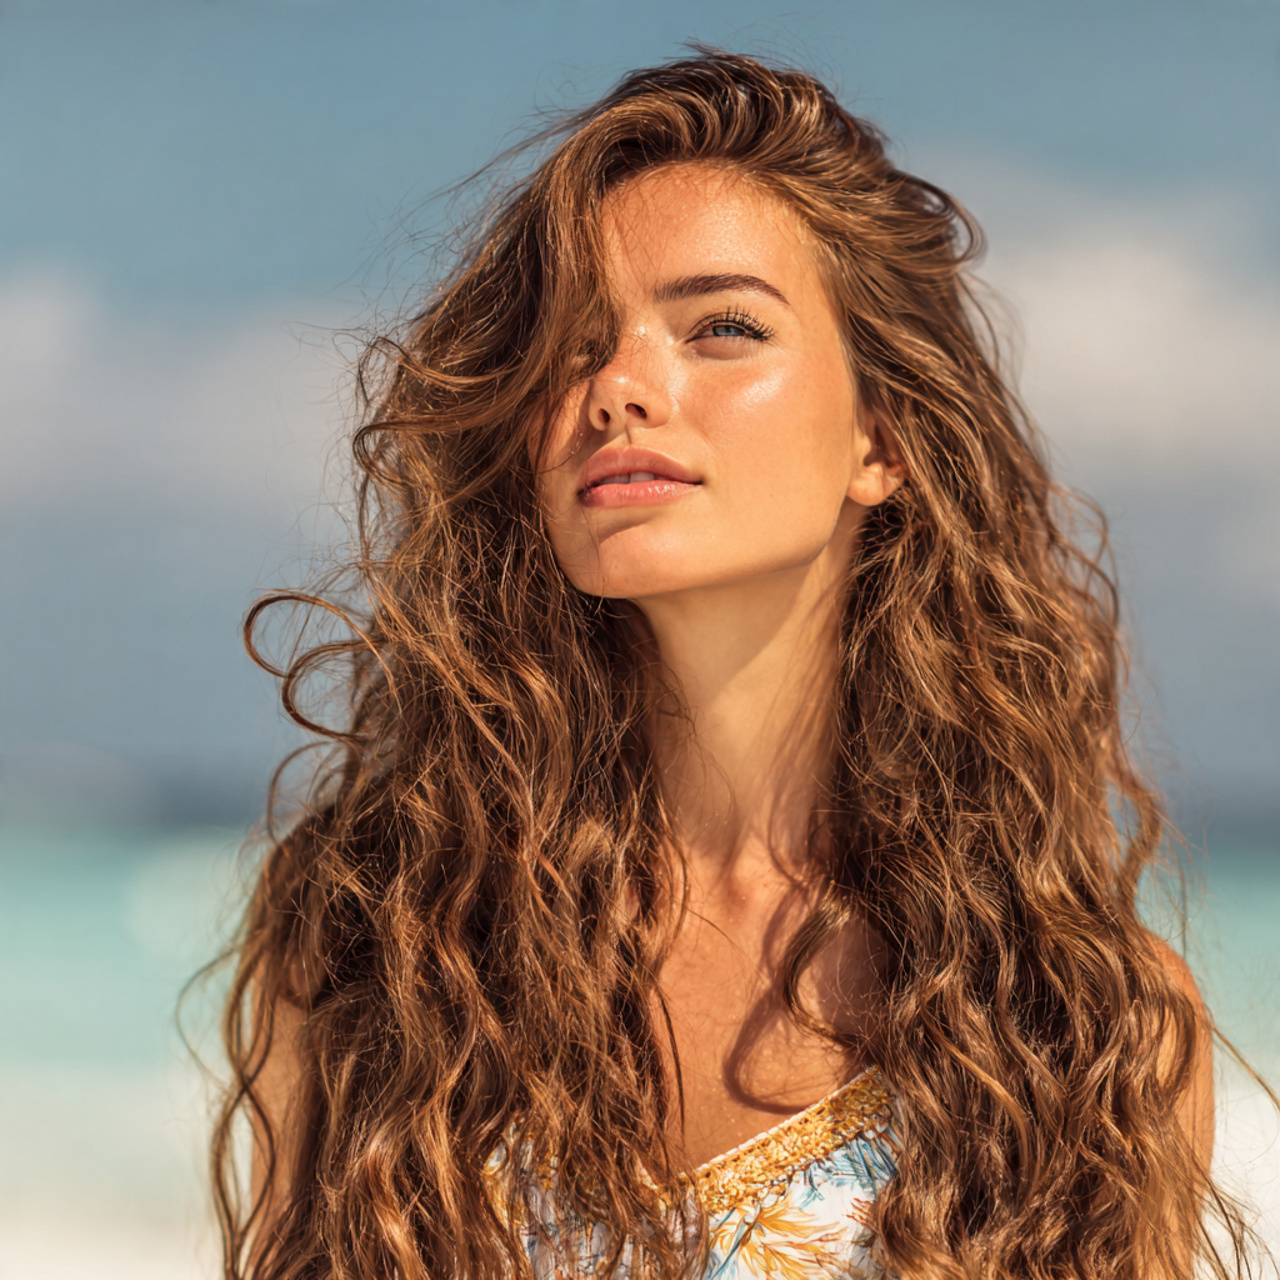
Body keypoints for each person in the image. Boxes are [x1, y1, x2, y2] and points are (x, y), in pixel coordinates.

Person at [213, 52, 1246, 1280]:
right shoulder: (378, 933)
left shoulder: (1081, 1024)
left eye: (722, 328)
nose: (616, 388)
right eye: (571, 345)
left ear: (881, 437)